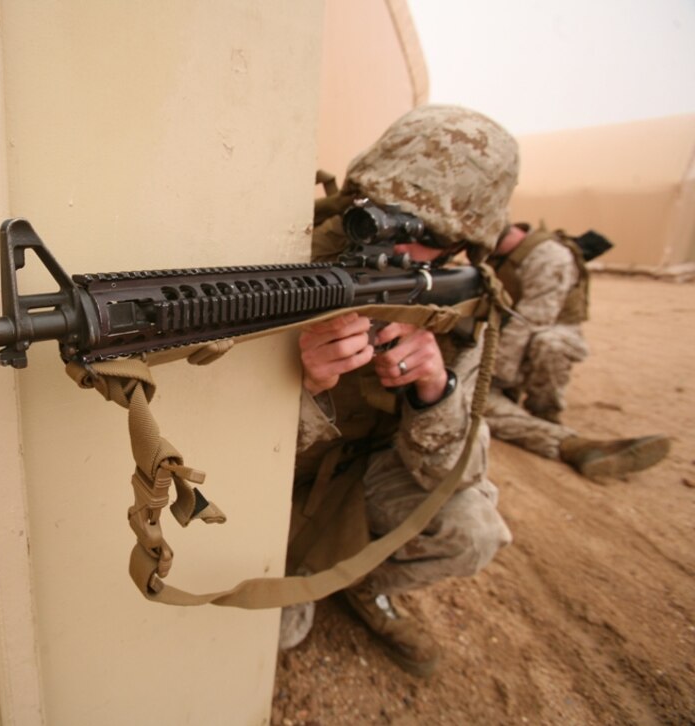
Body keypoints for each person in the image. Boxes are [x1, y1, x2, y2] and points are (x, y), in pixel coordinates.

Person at [280, 105, 517, 677]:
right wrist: (300, 386)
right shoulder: (286, 255)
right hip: (277, 480)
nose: (401, 248)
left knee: (473, 529)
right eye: (385, 216)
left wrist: (433, 390)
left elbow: (461, 473)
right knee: (280, 633)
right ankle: (308, 573)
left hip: (362, 472)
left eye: (430, 236)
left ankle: (357, 582)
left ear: (466, 245)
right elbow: (207, 442)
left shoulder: (457, 298)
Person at [485, 223, 670, 477]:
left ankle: (546, 414)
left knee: (548, 345)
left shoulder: (549, 256)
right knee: (477, 402)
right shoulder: (494, 256)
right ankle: (574, 447)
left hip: (549, 330)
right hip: (507, 338)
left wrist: (495, 376)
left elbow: (532, 320)